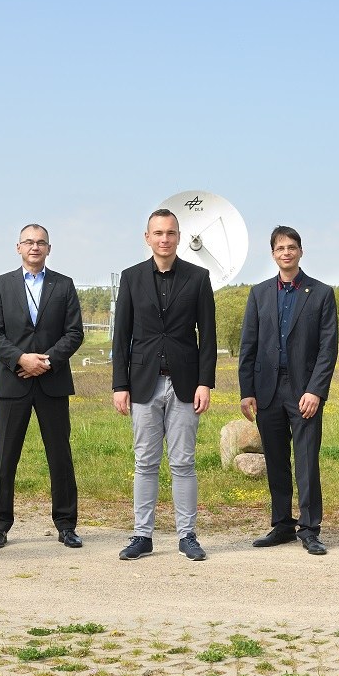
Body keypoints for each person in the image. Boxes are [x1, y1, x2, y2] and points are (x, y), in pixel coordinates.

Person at [112, 208, 217, 561]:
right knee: (145, 462)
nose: (164, 239)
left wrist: (206, 383)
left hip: (185, 384)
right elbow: (121, 336)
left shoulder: (198, 278)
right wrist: (119, 385)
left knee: (184, 463)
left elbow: (209, 337)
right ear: (147, 238)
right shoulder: (131, 278)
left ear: (178, 237)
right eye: (158, 233)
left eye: (170, 233)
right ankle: (142, 535)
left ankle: (187, 535)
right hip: (143, 384)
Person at [238, 225, 339, 556]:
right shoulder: (259, 294)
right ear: (273, 254)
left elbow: (328, 348)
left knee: (307, 460)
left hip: (303, 391)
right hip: (267, 390)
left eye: (291, 247)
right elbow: (248, 345)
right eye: (280, 248)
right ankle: (282, 524)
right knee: (277, 460)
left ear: (300, 251)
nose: (286, 252)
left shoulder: (321, 293)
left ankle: (310, 528)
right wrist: (246, 391)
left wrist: (316, 391)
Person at [0, 224, 85, 550]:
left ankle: (67, 525)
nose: (35, 247)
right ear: (18, 247)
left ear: (49, 249)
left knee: (60, 457)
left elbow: (74, 333)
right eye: (29, 242)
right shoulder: (1, 286)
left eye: (41, 242)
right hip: (13, 383)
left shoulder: (64, 285)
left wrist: (47, 361)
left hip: (52, 383)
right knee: (5, 458)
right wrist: (21, 359)